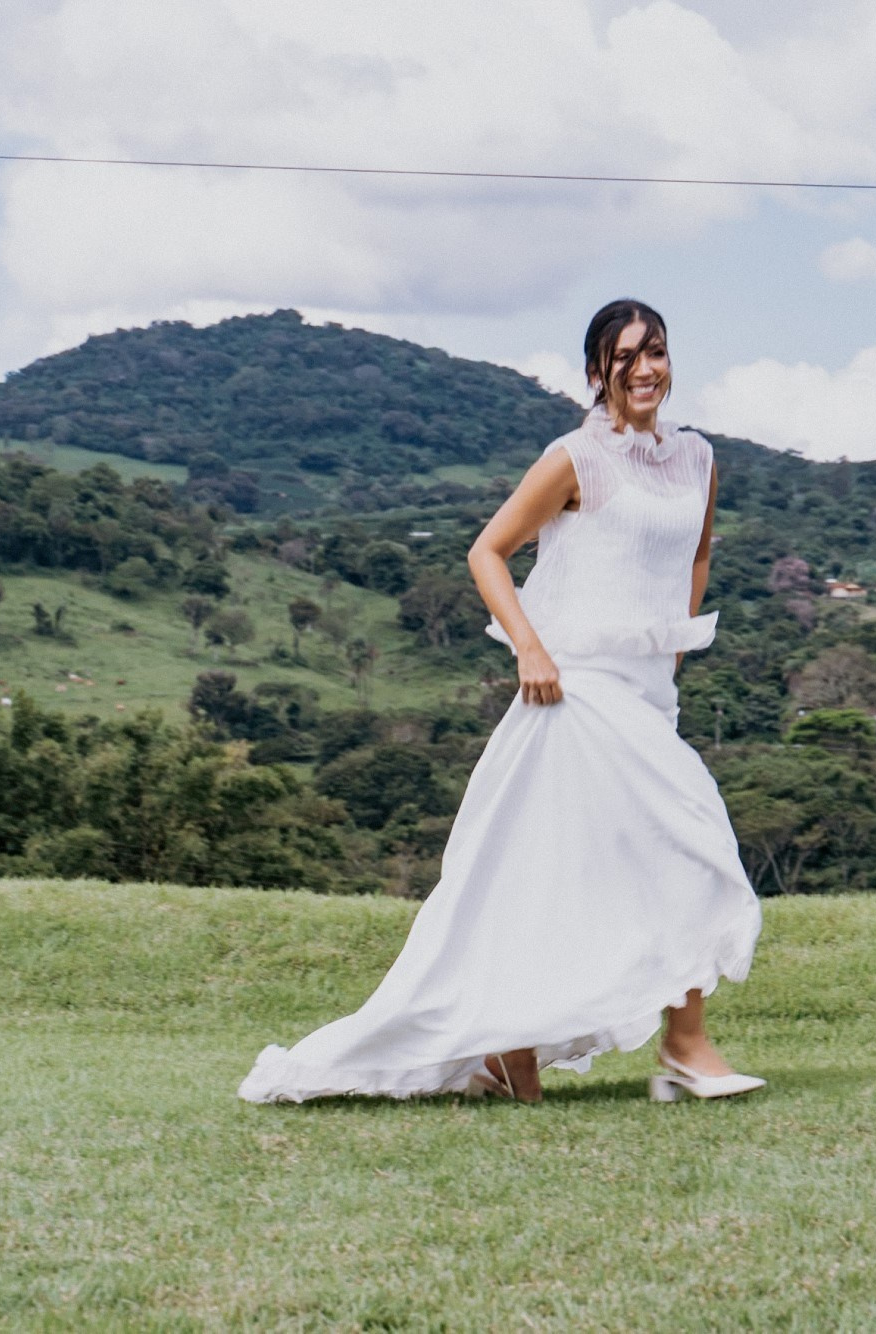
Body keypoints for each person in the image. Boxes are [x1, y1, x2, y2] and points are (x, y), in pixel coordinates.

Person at [239, 299, 764, 1105]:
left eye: (655, 351)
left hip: (648, 690)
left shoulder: (698, 460)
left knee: (586, 874)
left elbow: (694, 558)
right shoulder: (574, 458)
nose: (647, 369)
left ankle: (520, 1048)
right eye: (626, 358)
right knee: (685, 846)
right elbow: (486, 551)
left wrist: (673, 652)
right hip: (574, 690)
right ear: (598, 374)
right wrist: (530, 647)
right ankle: (683, 1047)